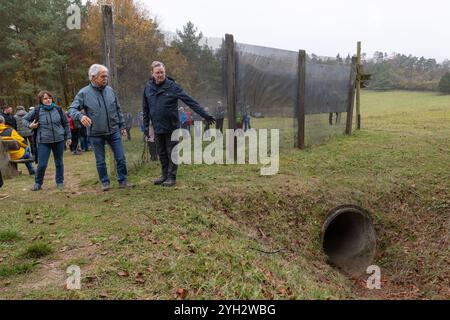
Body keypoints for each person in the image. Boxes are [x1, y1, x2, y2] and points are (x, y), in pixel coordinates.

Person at [142, 61, 215, 187]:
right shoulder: (148, 88)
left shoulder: (173, 86)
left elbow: (190, 101)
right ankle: (164, 175)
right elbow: (145, 108)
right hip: (157, 126)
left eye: (162, 72)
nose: (160, 75)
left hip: (171, 126)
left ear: (165, 72)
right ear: (152, 74)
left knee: (172, 151)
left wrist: (205, 115)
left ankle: (171, 177)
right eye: (157, 73)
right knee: (162, 152)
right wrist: (146, 126)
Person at [69, 64, 133, 191]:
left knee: (120, 158)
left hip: (114, 130)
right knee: (100, 161)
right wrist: (80, 117)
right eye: (103, 76)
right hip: (95, 133)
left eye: (106, 76)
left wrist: (122, 125)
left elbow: (118, 109)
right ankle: (105, 182)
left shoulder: (110, 90)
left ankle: (123, 181)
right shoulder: (84, 93)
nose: (106, 79)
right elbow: (71, 109)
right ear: (93, 77)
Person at [23, 91, 71, 191]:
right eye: (45, 98)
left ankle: (60, 182)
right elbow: (24, 120)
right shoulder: (36, 110)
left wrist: (68, 137)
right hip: (43, 141)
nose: (48, 100)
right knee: (42, 164)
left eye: (49, 97)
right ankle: (38, 183)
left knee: (59, 162)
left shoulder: (58, 109)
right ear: (41, 100)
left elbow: (66, 123)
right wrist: (30, 125)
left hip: (59, 140)